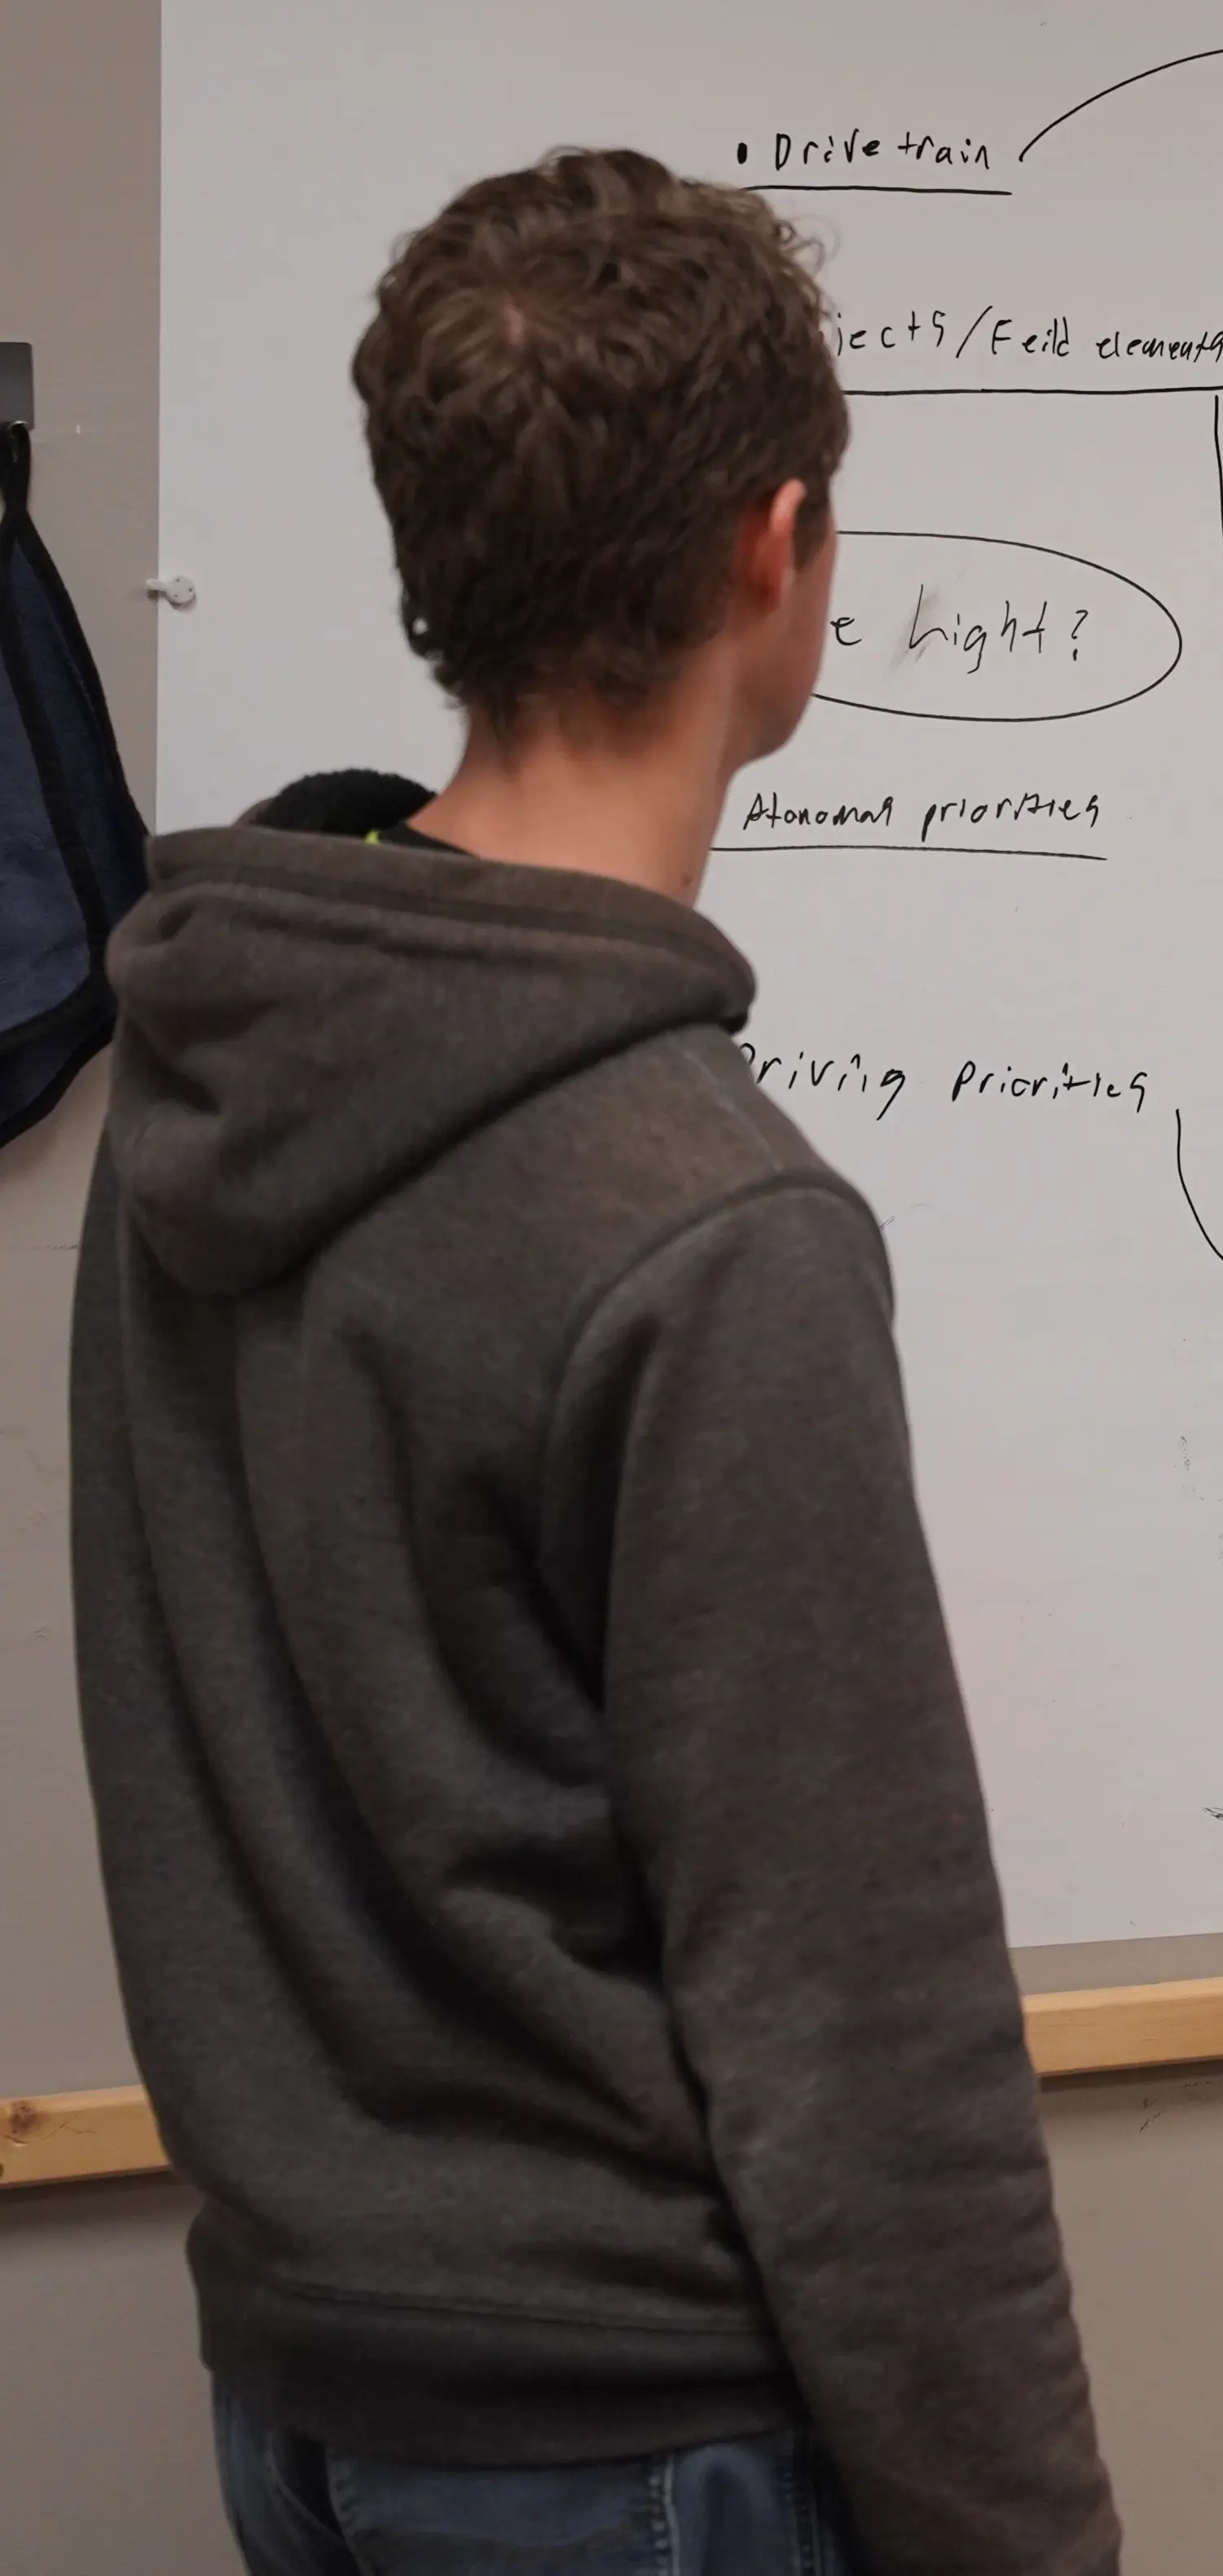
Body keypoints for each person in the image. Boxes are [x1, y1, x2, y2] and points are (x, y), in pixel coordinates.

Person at [71, 150, 1122, 2576]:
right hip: (635, 2452)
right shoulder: (704, 1225)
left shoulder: (216, 1064)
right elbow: (863, 2031)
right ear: (779, 551)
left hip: (312, 2404)